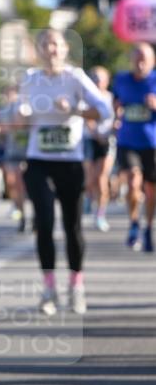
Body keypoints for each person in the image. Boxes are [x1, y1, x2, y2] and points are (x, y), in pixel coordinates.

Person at [18, 28, 112, 316]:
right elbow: (19, 116)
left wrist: (74, 109)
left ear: (65, 48)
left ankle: (76, 285)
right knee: (44, 221)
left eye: (56, 44)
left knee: (72, 227)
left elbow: (104, 111)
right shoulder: (30, 79)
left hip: (70, 161)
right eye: (45, 44)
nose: (51, 50)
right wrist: (19, 116)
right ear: (39, 49)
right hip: (38, 160)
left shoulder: (76, 78)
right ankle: (49, 289)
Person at [112, 42, 156, 252]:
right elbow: (114, 103)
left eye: (144, 59)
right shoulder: (121, 79)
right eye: (136, 58)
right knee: (133, 181)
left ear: (152, 62)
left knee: (151, 190)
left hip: (152, 143)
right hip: (128, 141)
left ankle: (148, 227)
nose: (140, 63)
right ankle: (134, 223)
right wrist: (116, 112)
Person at [0, 83, 29, 232]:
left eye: (12, 92)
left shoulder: (25, 106)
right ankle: (21, 214)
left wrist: (6, 127)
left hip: (28, 151)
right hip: (12, 151)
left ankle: (37, 215)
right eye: (7, 93)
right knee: (13, 183)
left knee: (26, 185)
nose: (10, 96)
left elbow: (22, 125)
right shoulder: (0, 111)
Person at [82, 66, 116, 233]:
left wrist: (116, 127)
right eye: (94, 77)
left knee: (102, 177)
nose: (97, 80)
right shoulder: (86, 98)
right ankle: (89, 197)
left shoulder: (112, 98)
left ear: (107, 80)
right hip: (89, 139)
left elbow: (118, 116)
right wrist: (95, 132)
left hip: (107, 141)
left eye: (100, 77)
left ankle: (100, 214)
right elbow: (86, 117)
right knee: (90, 178)